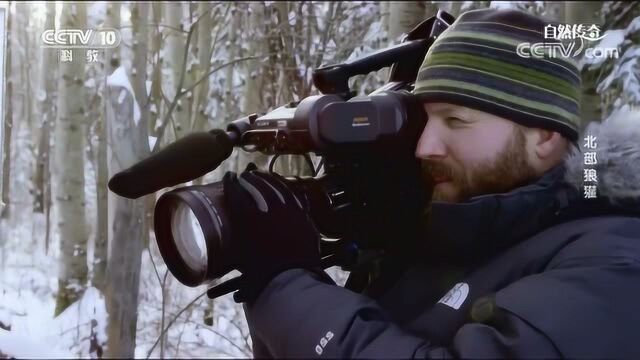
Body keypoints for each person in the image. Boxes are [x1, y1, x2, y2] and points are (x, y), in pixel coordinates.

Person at [222, 8, 640, 358]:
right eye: (424, 121)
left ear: (545, 136)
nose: (424, 147)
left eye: (455, 121)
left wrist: (287, 287)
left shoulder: (614, 261)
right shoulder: (454, 226)